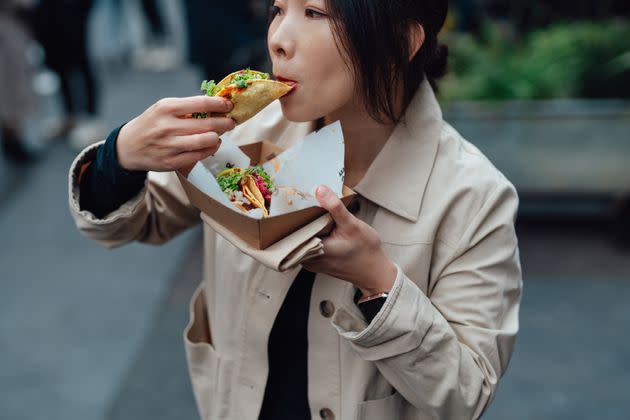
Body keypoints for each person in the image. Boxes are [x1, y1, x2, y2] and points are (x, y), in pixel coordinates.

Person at [68, 0, 522, 418]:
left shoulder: (473, 196)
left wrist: (378, 283)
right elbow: (131, 223)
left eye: (315, 13)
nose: (278, 39)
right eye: (277, 8)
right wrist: (120, 156)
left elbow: (467, 394)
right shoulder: (242, 132)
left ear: (402, 42)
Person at [0, 0, 36, 162]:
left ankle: (12, 137)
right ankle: (12, 138)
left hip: (11, 25)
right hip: (7, 28)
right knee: (11, 89)